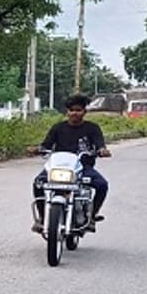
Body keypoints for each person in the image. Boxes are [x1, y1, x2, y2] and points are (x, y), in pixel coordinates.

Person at [27, 94, 112, 232]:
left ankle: (91, 216)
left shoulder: (92, 128)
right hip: (58, 168)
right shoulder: (58, 128)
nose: (74, 113)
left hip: (82, 167)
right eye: (71, 110)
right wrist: (37, 150)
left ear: (84, 112)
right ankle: (42, 218)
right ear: (67, 112)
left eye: (78, 110)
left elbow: (99, 144)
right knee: (38, 183)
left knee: (102, 185)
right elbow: (46, 145)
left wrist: (102, 150)